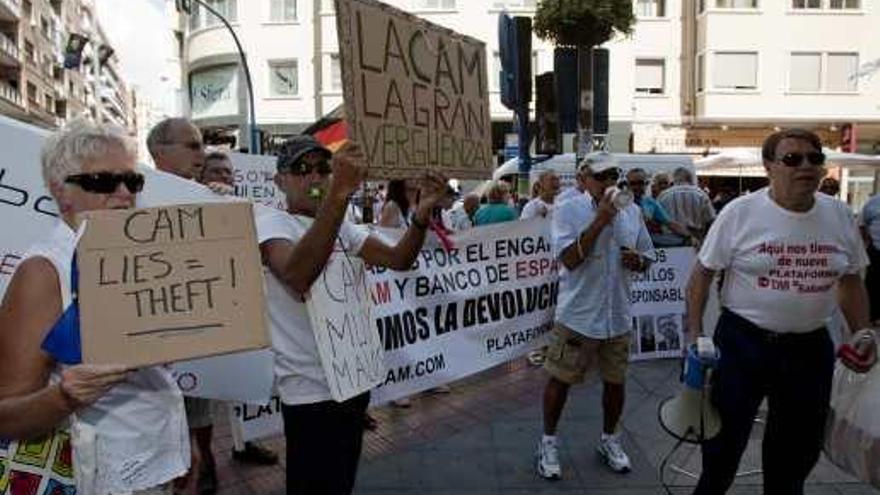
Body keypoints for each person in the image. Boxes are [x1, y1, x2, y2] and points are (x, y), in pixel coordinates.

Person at [0, 121, 189, 494]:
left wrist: (177, 447)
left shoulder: (135, 261)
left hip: (155, 465)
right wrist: (65, 396)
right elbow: (6, 413)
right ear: (61, 191)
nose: (123, 194)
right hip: (95, 478)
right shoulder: (45, 271)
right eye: (103, 182)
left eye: (132, 182)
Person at [685, 128, 878, 494]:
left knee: (794, 458)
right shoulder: (740, 213)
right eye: (792, 159)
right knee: (722, 449)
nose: (805, 166)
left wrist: (862, 332)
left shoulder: (839, 215)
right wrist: (694, 334)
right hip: (744, 343)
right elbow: (701, 275)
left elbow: (851, 281)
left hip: (809, 350)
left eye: (814, 158)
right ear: (769, 167)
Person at [256, 135, 447, 494]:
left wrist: (421, 215)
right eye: (301, 170)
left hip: (351, 383)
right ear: (279, 180)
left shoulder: (342, 226)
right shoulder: (270, 221)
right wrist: (339, 193)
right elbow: (298, 275)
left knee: (341, 482)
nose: (314, 178)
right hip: (309, 391)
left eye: (323, 168)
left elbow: (399, 260)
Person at [536, 154, 654, 480]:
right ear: (584, 178)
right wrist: (600, 219)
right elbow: (569, 260)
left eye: (615, 175)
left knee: (616, 383)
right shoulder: (568, 209)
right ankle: (547, 442)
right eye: (601, 176)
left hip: (617, 313)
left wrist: (639, 261)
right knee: (560, 379)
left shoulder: (632, 210)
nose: (609, 183)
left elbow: (648, 254)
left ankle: (610, 440)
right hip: (579, 314)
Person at [146, 117, 221, 494]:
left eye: (202, 145)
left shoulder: (207, 200)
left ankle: (203, 467)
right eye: (192, 146)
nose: (201, 154)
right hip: (152, 358)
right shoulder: (132, 199)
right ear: (160, 151)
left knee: (196, 430)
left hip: (195, 346)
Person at [626, 168, 691, 247]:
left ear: (646, 184)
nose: (637, 187)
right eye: (633, 183)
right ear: (627, 185)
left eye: (640, 183)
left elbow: (670, 223)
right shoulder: (619, 201)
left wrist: (689, 237)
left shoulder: (650, 202)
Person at [658, 167, 716, 243]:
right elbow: (711, 220)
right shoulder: (701, 195)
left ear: (674, 179)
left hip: (670, 241)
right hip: (696, 241)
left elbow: (657, 220)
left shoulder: (663, 195)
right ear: (690, 179)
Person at [861, 192, 880, 323]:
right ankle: (873, 316)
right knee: (873, 284)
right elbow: (862, 225)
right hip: (877, 250)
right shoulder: (873, 202)